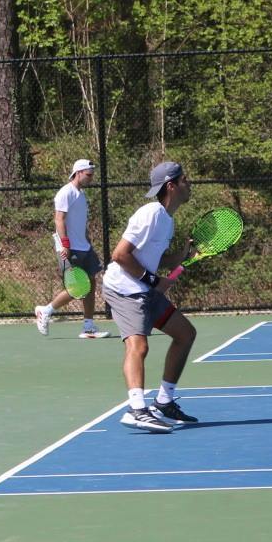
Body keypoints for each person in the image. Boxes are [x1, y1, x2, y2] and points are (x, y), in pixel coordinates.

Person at [102, 160, 200, 432]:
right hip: (124, 289)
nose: (188, 184)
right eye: (184, 180)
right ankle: (136, 409)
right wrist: (153, 280)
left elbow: (153, 258)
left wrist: (179, 257)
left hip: (144, 289)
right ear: (172, 186)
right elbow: (120, 255)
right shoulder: (150, 214)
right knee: (139, 346)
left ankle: (164, 401)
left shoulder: (167, 221)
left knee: (185, 334)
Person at [34, 158, 109, 339]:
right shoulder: (65, 193)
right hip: (70, 248)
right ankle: (46, 311)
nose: (91, 178)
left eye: (92, 175)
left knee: (91, 282)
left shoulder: (81, 194)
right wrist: (65, 244)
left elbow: (79, 224)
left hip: (84, 246)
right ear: (78, 173)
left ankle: (88, 327)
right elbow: (59, 220)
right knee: (77, 288)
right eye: (88, 175)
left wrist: (88, 242)